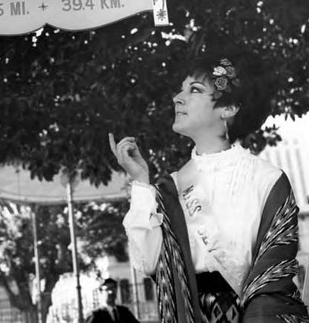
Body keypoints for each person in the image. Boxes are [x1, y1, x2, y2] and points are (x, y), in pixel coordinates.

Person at [109, 49, 309, 323]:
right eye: (181, 90)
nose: (177, 98)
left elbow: (273, 274)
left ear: (228, 108)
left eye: (194, 90)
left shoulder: (268, 180)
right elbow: (148, 262)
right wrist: (141, 182)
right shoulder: (171, 187)